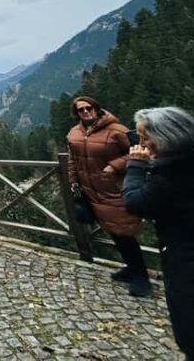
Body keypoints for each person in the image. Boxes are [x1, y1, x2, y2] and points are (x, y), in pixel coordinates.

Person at [122, 107, 194, 360]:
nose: (141, 143)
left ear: (166, 137)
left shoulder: (169, 177)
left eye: (144, 137)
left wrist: (135, 166)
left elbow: (135, 203)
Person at [65, 96, 150, 296]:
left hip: (115, 189)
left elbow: (139, 150)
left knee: (124, 232)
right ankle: (131, 268)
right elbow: (72, 159)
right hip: (91, 191)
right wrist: (73, 181)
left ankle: (141, 278)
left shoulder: (116, 130)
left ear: (97, 108)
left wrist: (115, 165)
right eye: (80, 110)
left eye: (88, 108)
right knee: (114, 232)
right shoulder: (74, 133)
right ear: (76, 113)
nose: (85, 112)